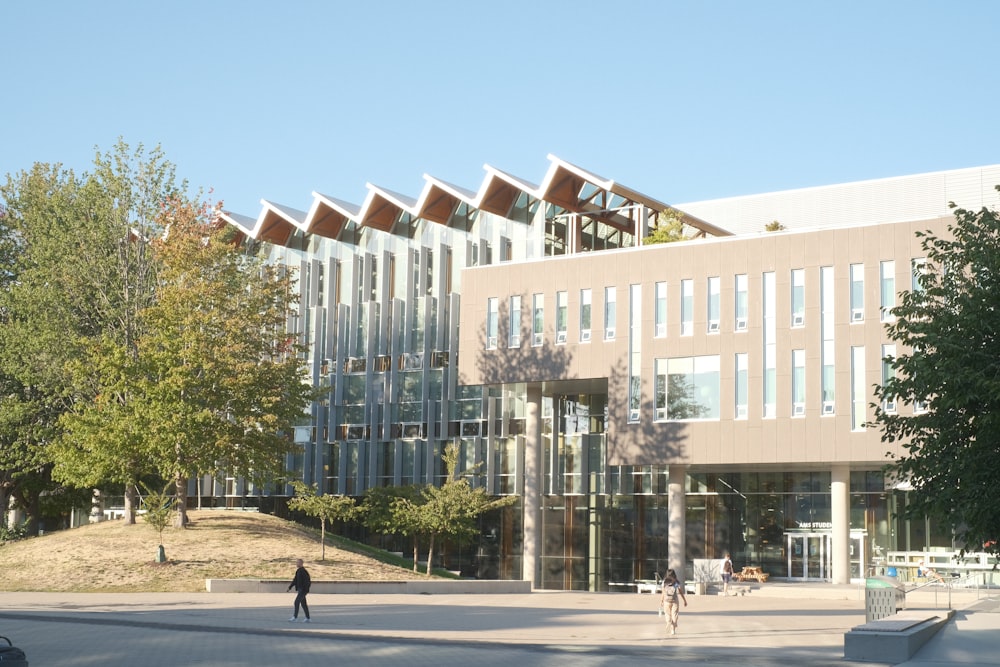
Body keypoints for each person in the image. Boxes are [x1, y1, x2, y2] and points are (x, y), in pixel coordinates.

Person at [658, 569, 687, 635]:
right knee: (675, 614)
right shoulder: (676, 582)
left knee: (667, 614)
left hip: (666, 600)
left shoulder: (664, 582)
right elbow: (680, 591)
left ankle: (668, 622)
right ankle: (673, 630)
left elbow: (663, 592)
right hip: (674, 600)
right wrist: (684, 600)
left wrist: (661, 601)